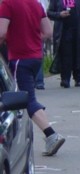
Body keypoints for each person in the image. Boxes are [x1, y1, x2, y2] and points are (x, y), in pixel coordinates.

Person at [0, 0, 66, 156]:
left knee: (23, 99)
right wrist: (32, 40)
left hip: (19, 58)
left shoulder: (7, 4)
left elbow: (2, 33)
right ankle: (49, 134)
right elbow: (48, 31)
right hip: (36, 57)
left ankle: (51, 134)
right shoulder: (36, 4)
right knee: (28, 97)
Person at [48, 0, 80, 88]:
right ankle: (65, 79)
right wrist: (59, 14)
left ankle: (78, 78)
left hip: (79, 31)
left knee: (79, 53)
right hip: (63, 32)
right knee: (65, 56)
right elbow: (49, 13)